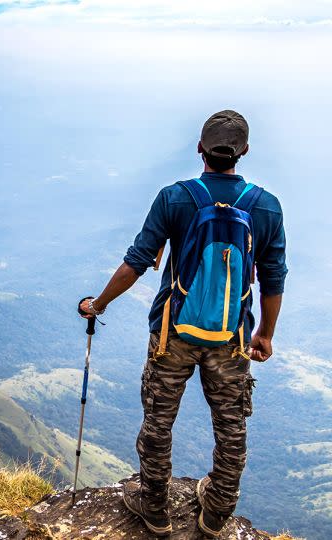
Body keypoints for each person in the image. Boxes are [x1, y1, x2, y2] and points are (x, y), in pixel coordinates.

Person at [78, 110, 287, 537]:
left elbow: (136, 263)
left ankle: (154, 508)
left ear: (200, 148)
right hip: (231, 337)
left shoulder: (175, 198)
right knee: (231, 425)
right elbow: (273, 275)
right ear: (243, 152)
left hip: (171, 334)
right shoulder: (265, 206)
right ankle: (216, 514)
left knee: (158, 421)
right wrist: (264, 333)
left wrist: (97, 305)